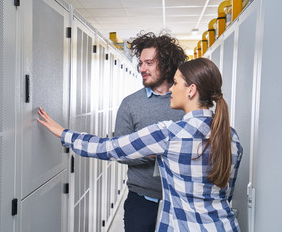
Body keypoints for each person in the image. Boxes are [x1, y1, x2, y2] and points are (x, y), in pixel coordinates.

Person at [37, 58, 243, 231]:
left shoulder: (169, 133)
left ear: (191, 90)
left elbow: (110, 148)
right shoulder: (231, 136)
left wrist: (64, 133)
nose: (171, 88)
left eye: (175, 83)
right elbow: (225, 193)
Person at [114, 31, 187, 232]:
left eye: (149, 63)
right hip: (141, 201)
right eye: (140, 63)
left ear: (166, 64)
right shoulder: (130, 104)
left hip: (181, 200)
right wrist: (152, 152)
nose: (141, 69)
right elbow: (119, 151)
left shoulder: (187, 101)